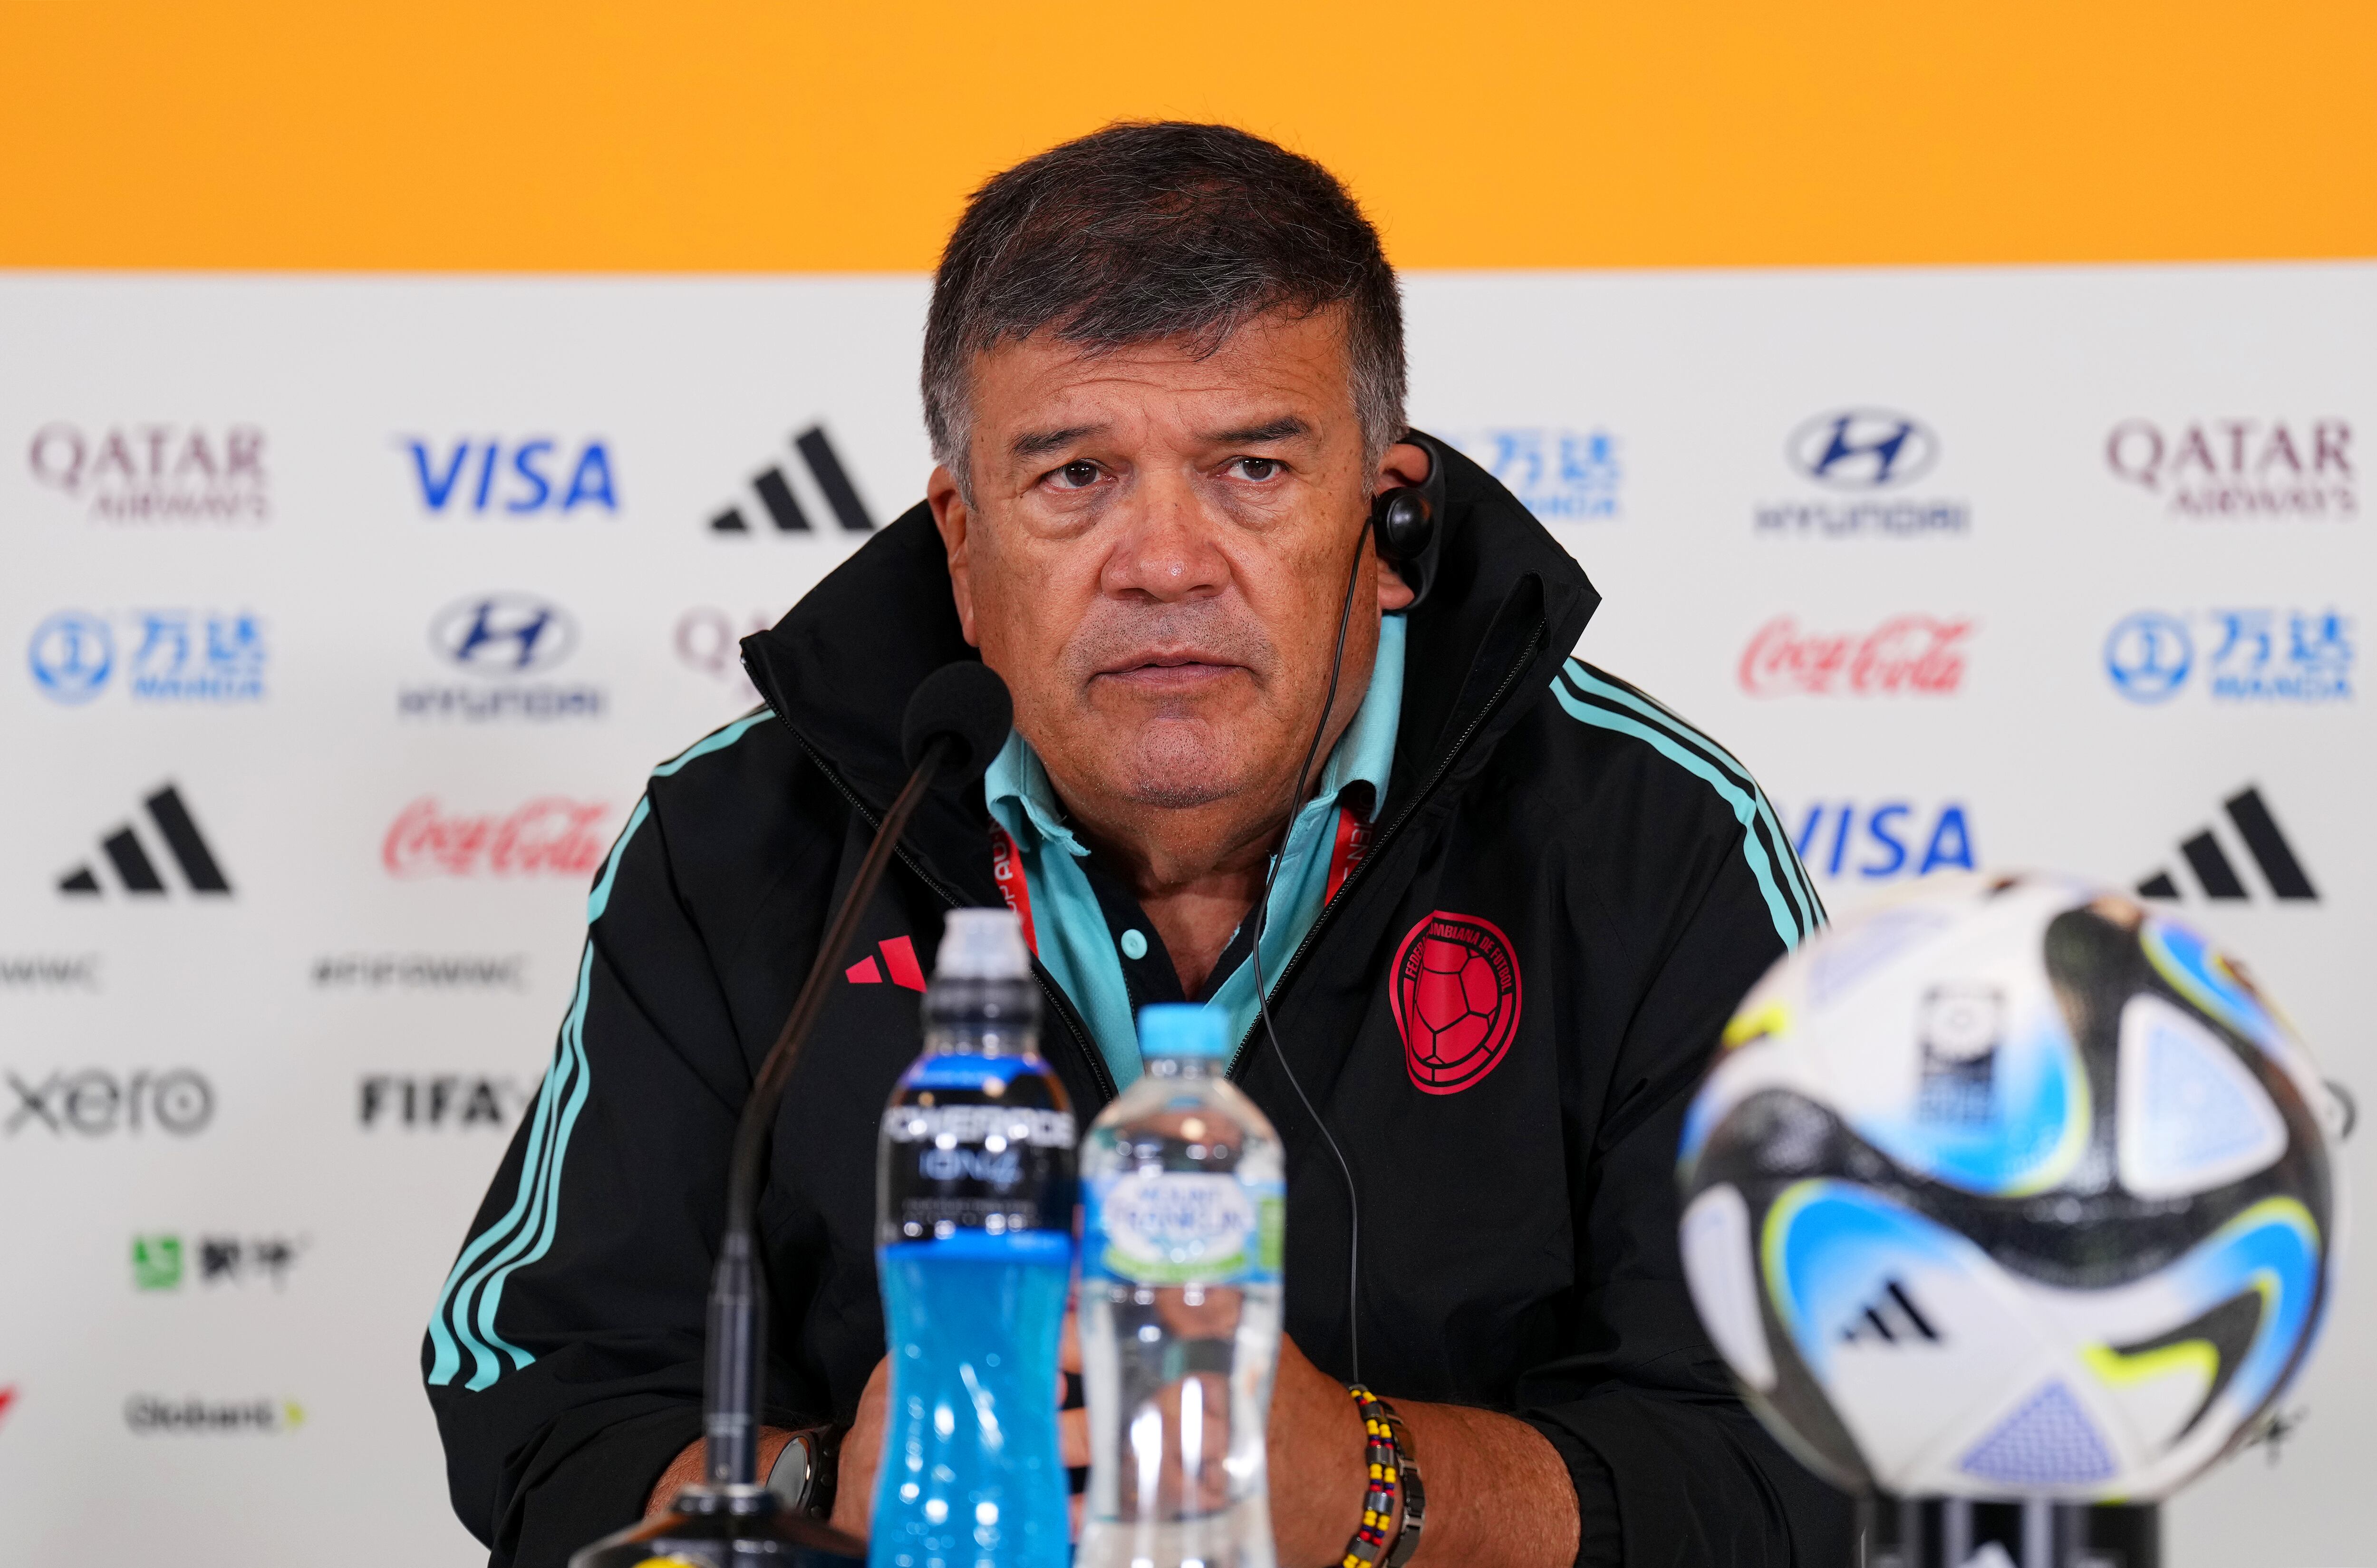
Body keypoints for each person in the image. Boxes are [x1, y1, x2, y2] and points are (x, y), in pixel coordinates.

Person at [424, 121, 1844, 1568]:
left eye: (1253, 469)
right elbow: (539, 1399)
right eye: (1076, 476)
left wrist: (1377, 1485)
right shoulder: (736, 841)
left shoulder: (1655, 843)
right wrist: (816, 1481)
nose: (1165, 563)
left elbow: (1810, 1459)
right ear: (963, 544)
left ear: (1390, 526)